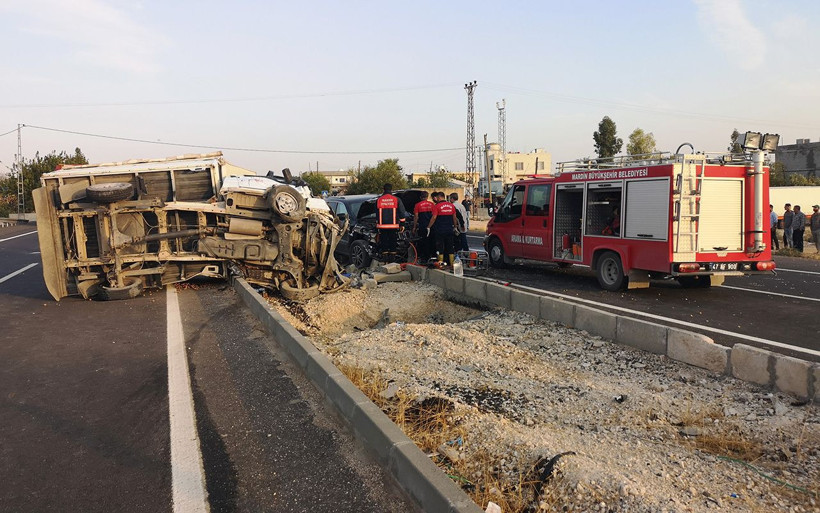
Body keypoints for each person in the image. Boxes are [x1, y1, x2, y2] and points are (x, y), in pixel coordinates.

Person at [427, 191, 458, 267]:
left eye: (437, 198)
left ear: (439, 197)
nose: (436, 199)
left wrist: (428, 227)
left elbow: (434, 218)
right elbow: (454, 218)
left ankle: (440, 264)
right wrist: (455, 227)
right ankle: (451, 264)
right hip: (449, 230)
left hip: (440, 230)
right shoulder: (451, 206)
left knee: (440, 247)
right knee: (450, 247)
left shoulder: (437, 206)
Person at [375, 183, 406, 256]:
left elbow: (376, 214)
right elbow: (402, 212)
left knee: (384, 242)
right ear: (391, 189)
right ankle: (392, 259)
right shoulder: (396, 199)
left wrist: (376, 224)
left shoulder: (379, 200)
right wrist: (402, 224)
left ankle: (385, 259)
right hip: (393, 226)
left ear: (383, 189)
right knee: (393, 242)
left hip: (382, 226)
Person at [412, 191, 435, 263]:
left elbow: (416, 216)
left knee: (423, 242)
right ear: (427, 197)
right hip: (431, 226)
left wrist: (414, 227)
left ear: (420, 197)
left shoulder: (417, 205)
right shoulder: (432, 204)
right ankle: (431, 257)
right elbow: (434, 216)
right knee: (431, 241)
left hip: (422, 226)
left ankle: (424, 258)